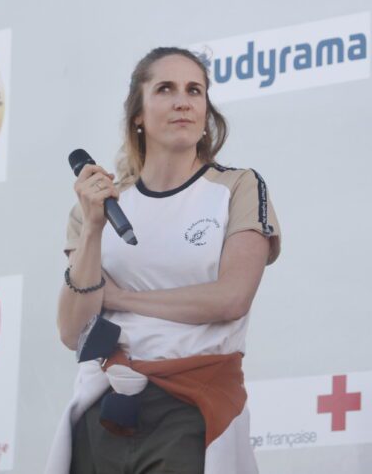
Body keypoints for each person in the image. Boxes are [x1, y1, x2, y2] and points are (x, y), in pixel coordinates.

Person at [46, 47, 281, 474]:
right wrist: (94, 227)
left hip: (192, 406)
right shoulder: (98, 205)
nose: (182, 102)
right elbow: (72, 331)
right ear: (138, 113)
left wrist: (120, 298)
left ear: (206, 109)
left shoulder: (237, 187)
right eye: (165, 89)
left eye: (194, 90)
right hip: (104, 405)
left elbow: (231, 299)